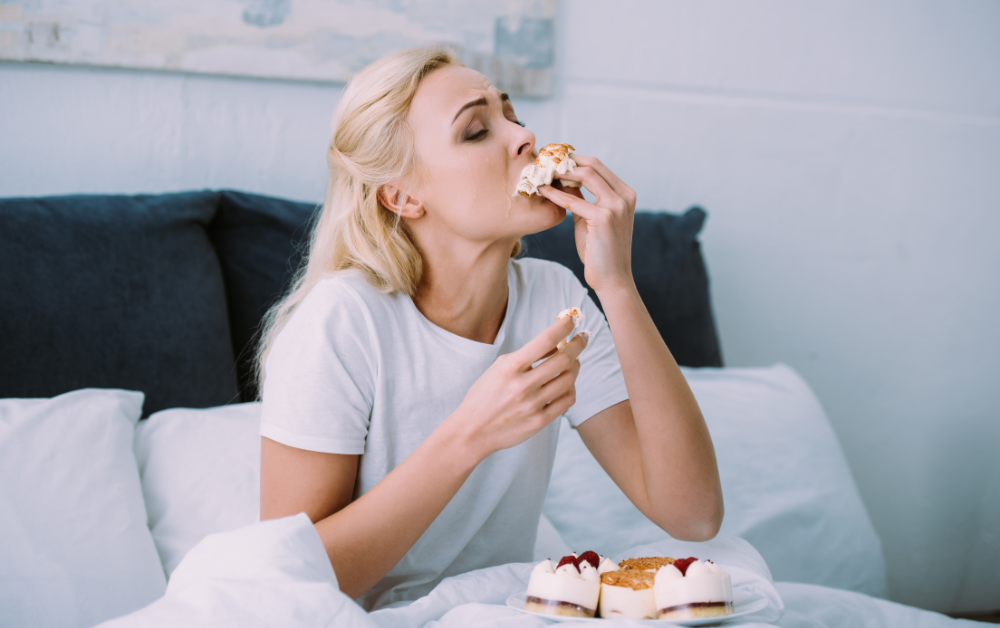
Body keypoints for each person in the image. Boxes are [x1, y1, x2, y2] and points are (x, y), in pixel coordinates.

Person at [256, 45, 723, 611]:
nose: (524, 139)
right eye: (476, 130)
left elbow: (693, 514)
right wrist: (471, 433)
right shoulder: (342, 322)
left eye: (512, 115)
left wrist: (617, 285)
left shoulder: (556, 300)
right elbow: (289, 586)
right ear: (403, 196)